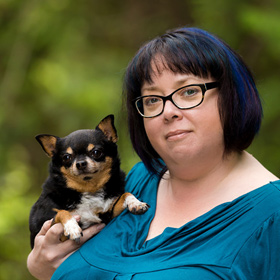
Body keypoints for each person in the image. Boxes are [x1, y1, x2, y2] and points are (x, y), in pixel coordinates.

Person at [27, 27, 280, 279]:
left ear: (233, 96)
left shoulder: (272, 216)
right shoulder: (136, 181)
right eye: (152, 99)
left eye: (189, 91)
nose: (169, 110)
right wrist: (44, 269)